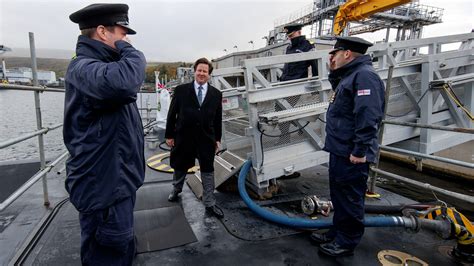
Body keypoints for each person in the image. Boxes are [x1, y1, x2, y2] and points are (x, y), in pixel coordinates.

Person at [63, 3, 146, 265]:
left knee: (122, 249)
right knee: (108, 254)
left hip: (117, 184)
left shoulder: (101, 67)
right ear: (102, 31)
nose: (126, 40)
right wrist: (130, 51)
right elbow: (123, 83)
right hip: (104, 191)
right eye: (122, 34)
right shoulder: (83, 68)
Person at [311, 36, 385, 257]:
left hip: (353, 154)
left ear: (347, 54)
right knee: (339, 194)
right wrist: (333, 71)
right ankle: (338, 231)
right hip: (340, 149)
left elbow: (368, 115)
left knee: (351, 198)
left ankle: (347, 241)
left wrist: (360, 150)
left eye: (335, 53)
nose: (331, 57)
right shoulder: (349, 76)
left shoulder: (365, 77)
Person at [165, 58, 224, 219]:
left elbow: (217, 119)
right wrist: (169, 135)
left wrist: (217, 139)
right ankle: (176, 189)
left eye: (205, 71)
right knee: (180, 166)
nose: (202, 73)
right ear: (194, 71)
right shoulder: (181, 90)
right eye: (199, 70)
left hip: (206, 138)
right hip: (183, 136)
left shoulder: (216, 94)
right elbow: (172, 114)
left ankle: (210, 202)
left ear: (209, 75)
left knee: (207, 169)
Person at [276, 23, 318, 178]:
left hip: (296, 85)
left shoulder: (307, 46)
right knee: (278, 110)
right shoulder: (289, 47)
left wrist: (316, 85)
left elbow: (315, 65)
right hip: (284, 83)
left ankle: (287, 136)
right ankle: (285, 136)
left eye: (292, 34)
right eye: (288, 35)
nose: (289, 36)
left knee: (285, 111)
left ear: (299, 32)